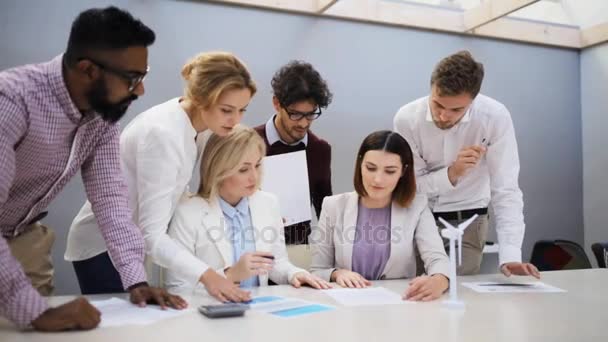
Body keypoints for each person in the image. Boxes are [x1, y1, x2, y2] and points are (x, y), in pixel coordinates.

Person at [0, 7, 185, 331]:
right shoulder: (12, 101)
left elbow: (112, 200)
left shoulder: (100, 118)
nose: (140, 90)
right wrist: (35, 312)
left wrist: (135, 281)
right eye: (132, 78)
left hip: (24, 235)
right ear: (88, 70)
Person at [66, 51, 256, 303]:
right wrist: (210, 276)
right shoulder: (164, 134)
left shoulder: (199, 125)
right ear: (200, 98)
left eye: (242, 110)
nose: (236, 120)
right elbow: (151, 236)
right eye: (227, 110)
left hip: (131, 240)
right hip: (102, 246)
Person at [393, 51, 540, 278]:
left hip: (470, 222)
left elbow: (506, 189)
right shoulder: (407, 119)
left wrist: (510, 255)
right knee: (416, 292)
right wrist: (452, 173)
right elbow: (413, 186)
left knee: (457, 292)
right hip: (420, 218)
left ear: (473, 100)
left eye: (456, 110)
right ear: (431, 88)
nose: (443, 116)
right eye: (438, 104)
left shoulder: (495, 117)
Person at [166, 126, 331, 294]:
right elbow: (178, 288)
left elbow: (276, 262)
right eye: (243, 169)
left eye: (258, 165)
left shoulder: (268, 203)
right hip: (210, 315)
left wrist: (294, 273)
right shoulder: (187, 213)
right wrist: (230, 275)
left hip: (258, 311)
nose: (255, 176)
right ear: (217, 170)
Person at [310, 131, 449, 301]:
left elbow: (437, 258)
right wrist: (337, 273)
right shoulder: (333, 206)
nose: (377, 179)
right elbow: (317, 270)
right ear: (360, 164)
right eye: (370, 168)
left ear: (403, 171)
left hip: (398, 303)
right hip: (346, 304)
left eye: (390, 171)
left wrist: (440, 280)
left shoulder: (417, 207)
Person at [254, 61, 333, 245]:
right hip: (253, 247)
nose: (304, 123)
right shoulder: (248, 143)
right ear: (276, 103)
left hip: (298, 251)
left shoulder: (320, 149)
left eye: (311, 114)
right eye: (295, 114)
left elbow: (325, 210)